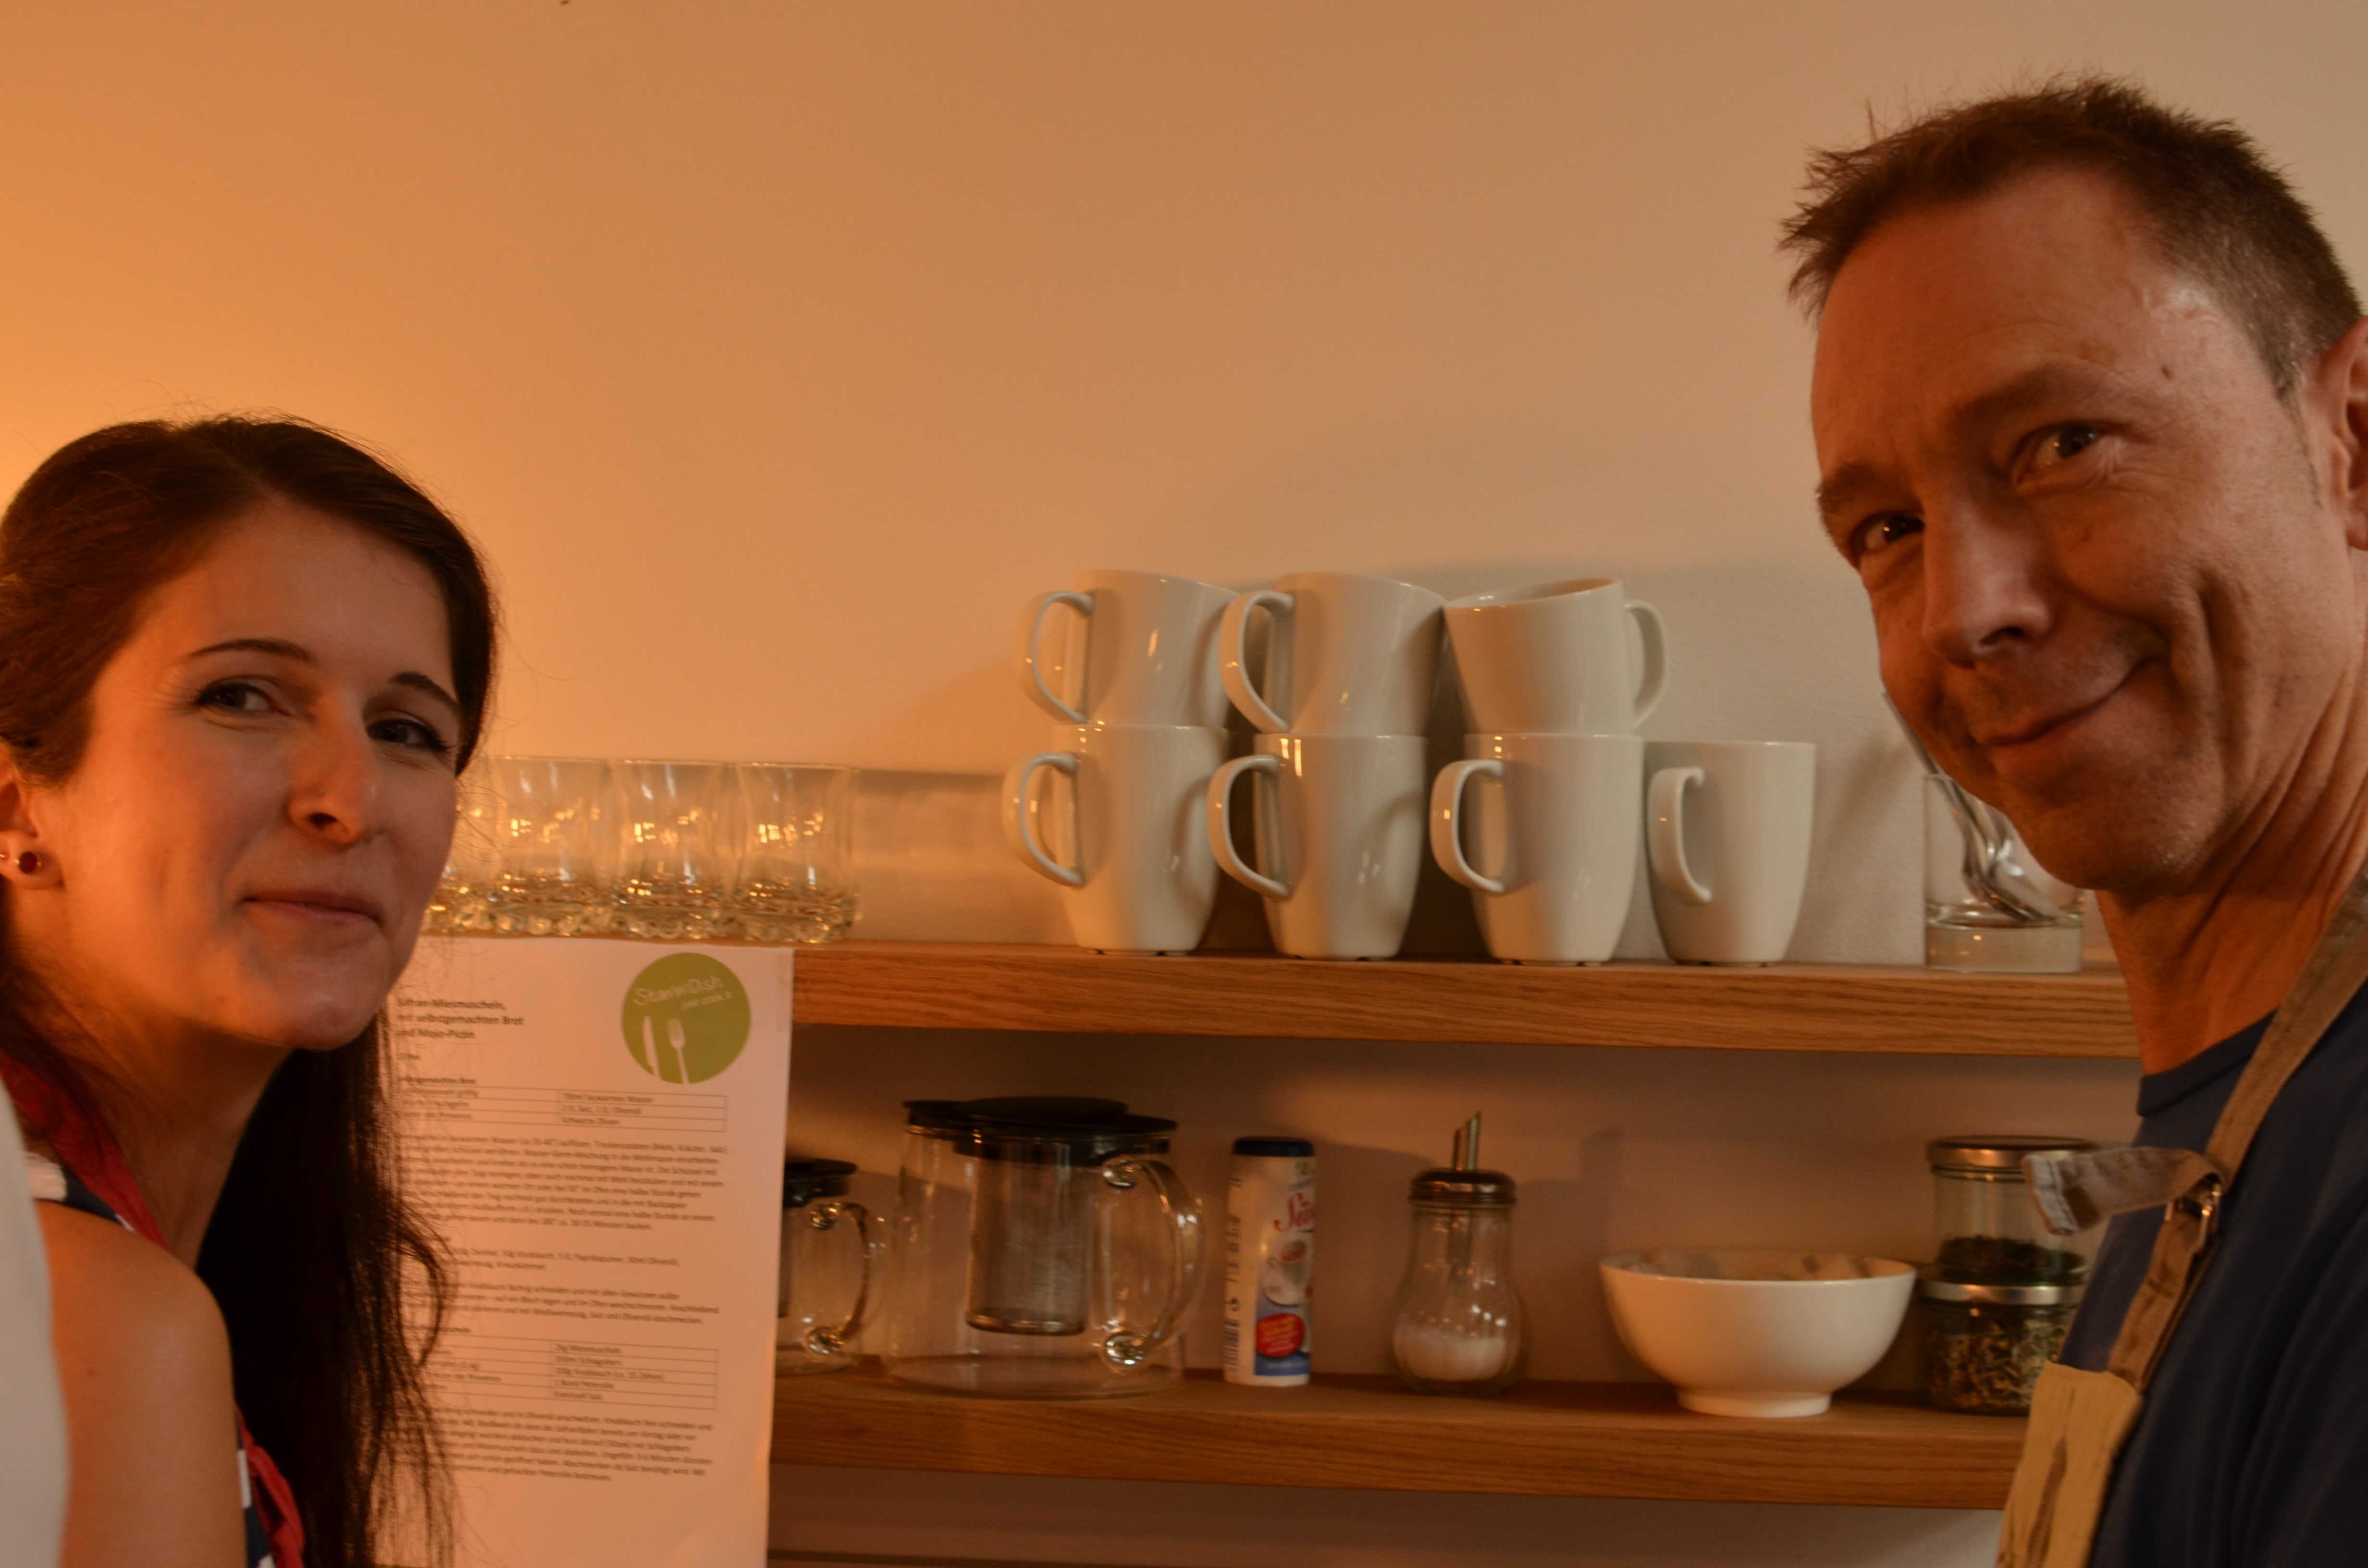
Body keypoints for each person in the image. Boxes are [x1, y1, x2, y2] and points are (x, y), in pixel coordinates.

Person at [1784, 79, 2368, 1564]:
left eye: (2062, 443)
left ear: (2352, 441)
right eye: (1888, 530)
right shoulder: (2236, 1132)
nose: (1962, 611)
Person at [0, 417, 497, 1568]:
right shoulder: (89, 1307)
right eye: (242, 697)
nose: (351, 801)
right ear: (18, 805)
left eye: (407, 729)